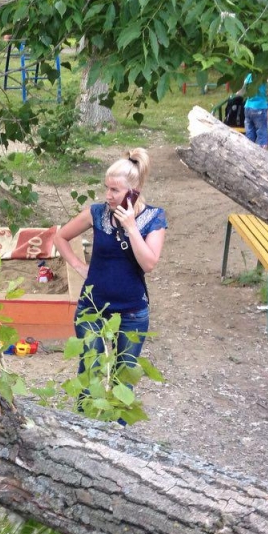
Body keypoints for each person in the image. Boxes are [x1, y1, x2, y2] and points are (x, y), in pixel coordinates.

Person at [53, 148, 167, 389]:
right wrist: (78, 266)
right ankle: (83, 425)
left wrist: (131, 228)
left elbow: (149, 263)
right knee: (90, 374)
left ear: (134, 192)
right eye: (107, 188)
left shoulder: (154, 218)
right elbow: (60, 237)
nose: (108, 195)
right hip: (92, 308)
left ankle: (117, 428)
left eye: (115, 190)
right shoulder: (96, 214)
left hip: (132, 313)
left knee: (123, 381)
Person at [240, 72, 268, 149]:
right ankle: (262, 156)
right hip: (260, 108)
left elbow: (241, 92)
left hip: (248, 107)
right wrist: (266, 95)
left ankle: (249, 155)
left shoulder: (249, 76)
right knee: (262, 134)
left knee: (249, 135)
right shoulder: (265, 75)